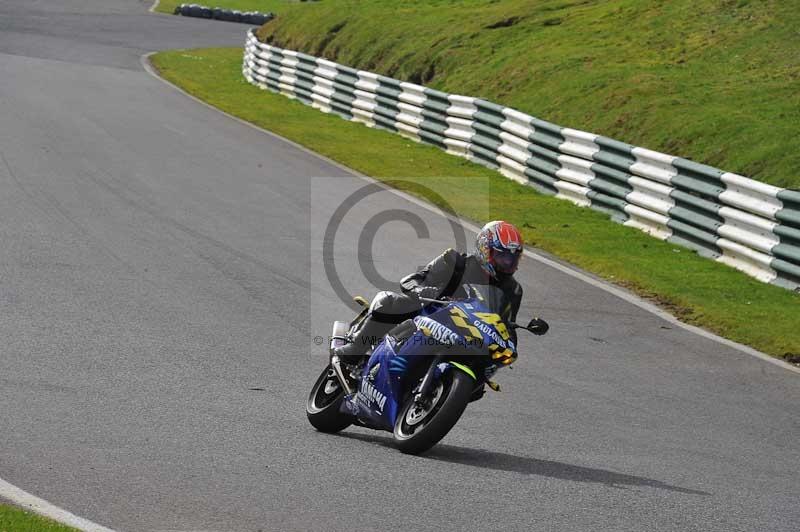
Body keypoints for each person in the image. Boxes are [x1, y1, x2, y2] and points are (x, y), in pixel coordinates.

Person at [333, 220, 528, 364]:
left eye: (513, 258)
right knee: (388, 301)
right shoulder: (455, 262)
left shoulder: (513, 290)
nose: (508, 263)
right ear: (485, 249)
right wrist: (423, 290)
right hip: (428, 316)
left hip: (466, 337)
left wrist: (509, 341)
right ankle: (356, 348)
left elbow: (507, 326)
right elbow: (412, 280)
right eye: (502, 256)